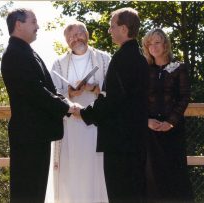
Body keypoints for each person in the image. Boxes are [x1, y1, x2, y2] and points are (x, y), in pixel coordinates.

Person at [1, 9, 77, 203]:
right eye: (33, 22)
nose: (38, 27)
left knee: (35, 191)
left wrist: (63, 100)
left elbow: (46, 87)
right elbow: (34, 91)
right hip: (28, 135)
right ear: (18, 24)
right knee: (27, 191)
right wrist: (66, 107)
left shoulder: (25, 51)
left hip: (36, 134)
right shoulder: (15, 54)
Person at [74, 8, 149, 202]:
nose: (109, 31)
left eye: (112, 26)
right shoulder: (139, 58)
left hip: (120, 142)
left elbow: (112, 99)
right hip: (136, 139)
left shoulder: (122, 59)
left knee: (120, 193)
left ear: (124, 29)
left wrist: (85, 113)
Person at [47, 20, 110, 203]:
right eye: (71, 36)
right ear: (67, 41)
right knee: (73, 169)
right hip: (71, 125)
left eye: (79, 33)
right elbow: (52, 92)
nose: (76, 39)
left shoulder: (104, 59)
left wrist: (94, 88)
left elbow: (114, 89)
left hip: (96, 123)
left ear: (87, 34)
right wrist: (68, 92)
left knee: (96, 168)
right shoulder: (59, 64)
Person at [142, 28, 194, 202]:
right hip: (150, 131)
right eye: (150, 43)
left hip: (173, 130)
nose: (153, 46)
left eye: (157, 42)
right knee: (151, 177)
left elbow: (184, 97)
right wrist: (147, 121)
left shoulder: (179, 68)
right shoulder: (144, 70)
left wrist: (171, 122)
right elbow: (138, 99)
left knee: (175, 175)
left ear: (165, 44)